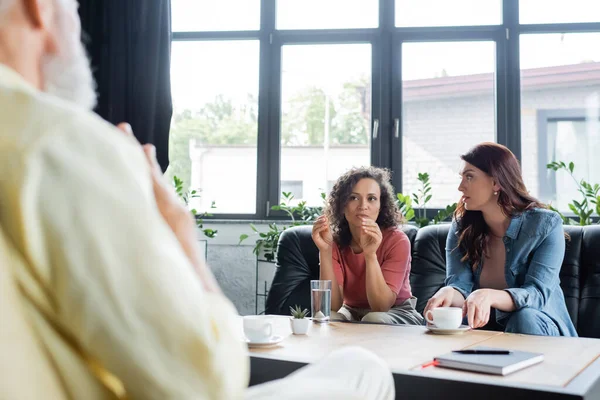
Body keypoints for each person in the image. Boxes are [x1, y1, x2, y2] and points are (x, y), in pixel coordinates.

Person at [0, 0, 396, 399]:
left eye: (372, 198)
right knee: (363, 370)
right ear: (40, 9)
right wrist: (179, 231)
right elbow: (203, 380)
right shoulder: (62, 142)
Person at [423, 142, 577, 337]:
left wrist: (489, 295)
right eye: (461, 177)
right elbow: (460, 285)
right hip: (489, 328)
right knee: (441, 315)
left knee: (524, 317)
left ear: (496, 183)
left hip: (543, 329)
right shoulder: (462, 227)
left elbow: (537, 294)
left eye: (469, 177)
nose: (460, 187)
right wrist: (448, 293)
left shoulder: (545, 225)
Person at [312, 166, 424, 325]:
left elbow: (381, 306)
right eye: (353, 198)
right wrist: (325, 251)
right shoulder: (335, 242)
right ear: (342, 205)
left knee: (373, 318)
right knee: (326, 317)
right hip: (351, 311)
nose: (363, 206)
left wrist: (370, 255)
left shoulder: (397, 240)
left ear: (381, 205)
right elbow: (332, 306)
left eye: (371, 198)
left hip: (397, 312)